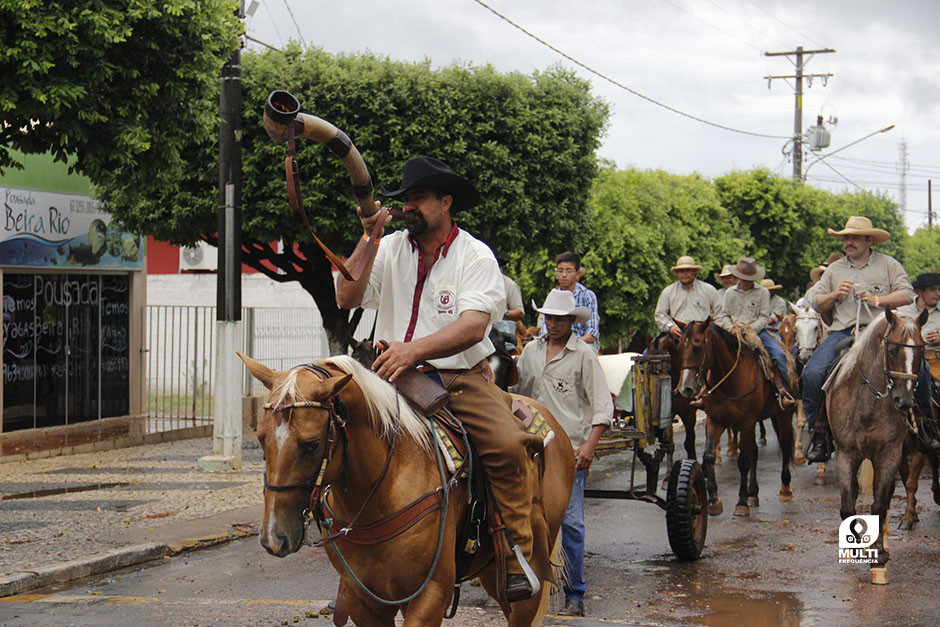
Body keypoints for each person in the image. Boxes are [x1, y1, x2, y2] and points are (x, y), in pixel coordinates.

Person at [334, 155, 543, 601]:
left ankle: (514, 551)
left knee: (508, 445)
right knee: (323, 431)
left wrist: (413, 351)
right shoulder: (387, 248)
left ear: (446, 202)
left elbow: (471, 326)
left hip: (458, 378)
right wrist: (369, 237)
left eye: (420, 198)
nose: (410, 206)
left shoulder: (475, 254)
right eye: (406, 198)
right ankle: (342, 545)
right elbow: (345, 294)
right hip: (385, 375)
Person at [512, 289, 612, 617]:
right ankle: (526, 584)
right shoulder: (530, 353)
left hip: (568, 452)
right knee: (522, 517)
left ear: (571, 322)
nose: (552, 324)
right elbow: (516, 396)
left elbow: (602, 405)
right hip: (531, 448)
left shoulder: (583, 355)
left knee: (569, 522)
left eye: (558, 319)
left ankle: (575, 594)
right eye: (548, 318)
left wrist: (589, 446)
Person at [803, 216, 915, 463]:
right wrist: (834, 294)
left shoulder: (888, 264)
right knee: (811, 374)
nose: (848, 242)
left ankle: (923, 426)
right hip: (845, 333)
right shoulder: (834, 270)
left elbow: (907, 294)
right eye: (845, 238)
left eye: (854, 237)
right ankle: (819, 432)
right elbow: (815, 301)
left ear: (869, 240)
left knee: (919, 369)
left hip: (882, 332)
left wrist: (878, 301)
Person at [713, 258, 795, 408]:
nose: (746, 281)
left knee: (778, 355)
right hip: (733, 331)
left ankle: (782, 391)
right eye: (744, 278)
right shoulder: (730, 293)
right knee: (713, 353)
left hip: (758, 332)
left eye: (749, 279)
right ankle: (705, 393)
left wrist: (751, 329)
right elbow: (723, 315)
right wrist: (731, 327)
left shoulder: (762, 292)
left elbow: (764, 316)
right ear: (738, 277)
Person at [896, 272, 940, 452]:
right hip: (910, 359)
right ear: (919, 292)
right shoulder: (902, 312)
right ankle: (926, 424)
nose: (938, 293)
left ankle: (928, 424)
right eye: (933, 290)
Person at [540, 251, 600, 351]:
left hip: (583, 342)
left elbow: (592, 332)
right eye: (560, 271)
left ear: (578, 274)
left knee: (585, 353)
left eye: (568, 271)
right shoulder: (553, 296)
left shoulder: (587, 296)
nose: (564, 275)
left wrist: (571, 345)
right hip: (557, 342)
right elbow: (544, 329)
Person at [654, 256, 721, 339]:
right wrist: (671, 327)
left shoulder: (708, 290)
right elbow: (660, 314)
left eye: (688, 270)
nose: (684, 273)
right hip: (678, 334)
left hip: (703, 335)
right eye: (681, 271)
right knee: (652, 349)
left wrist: (713, 328)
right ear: (677, 273)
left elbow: (720, 312)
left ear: (694, 272)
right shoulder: (668, 292)